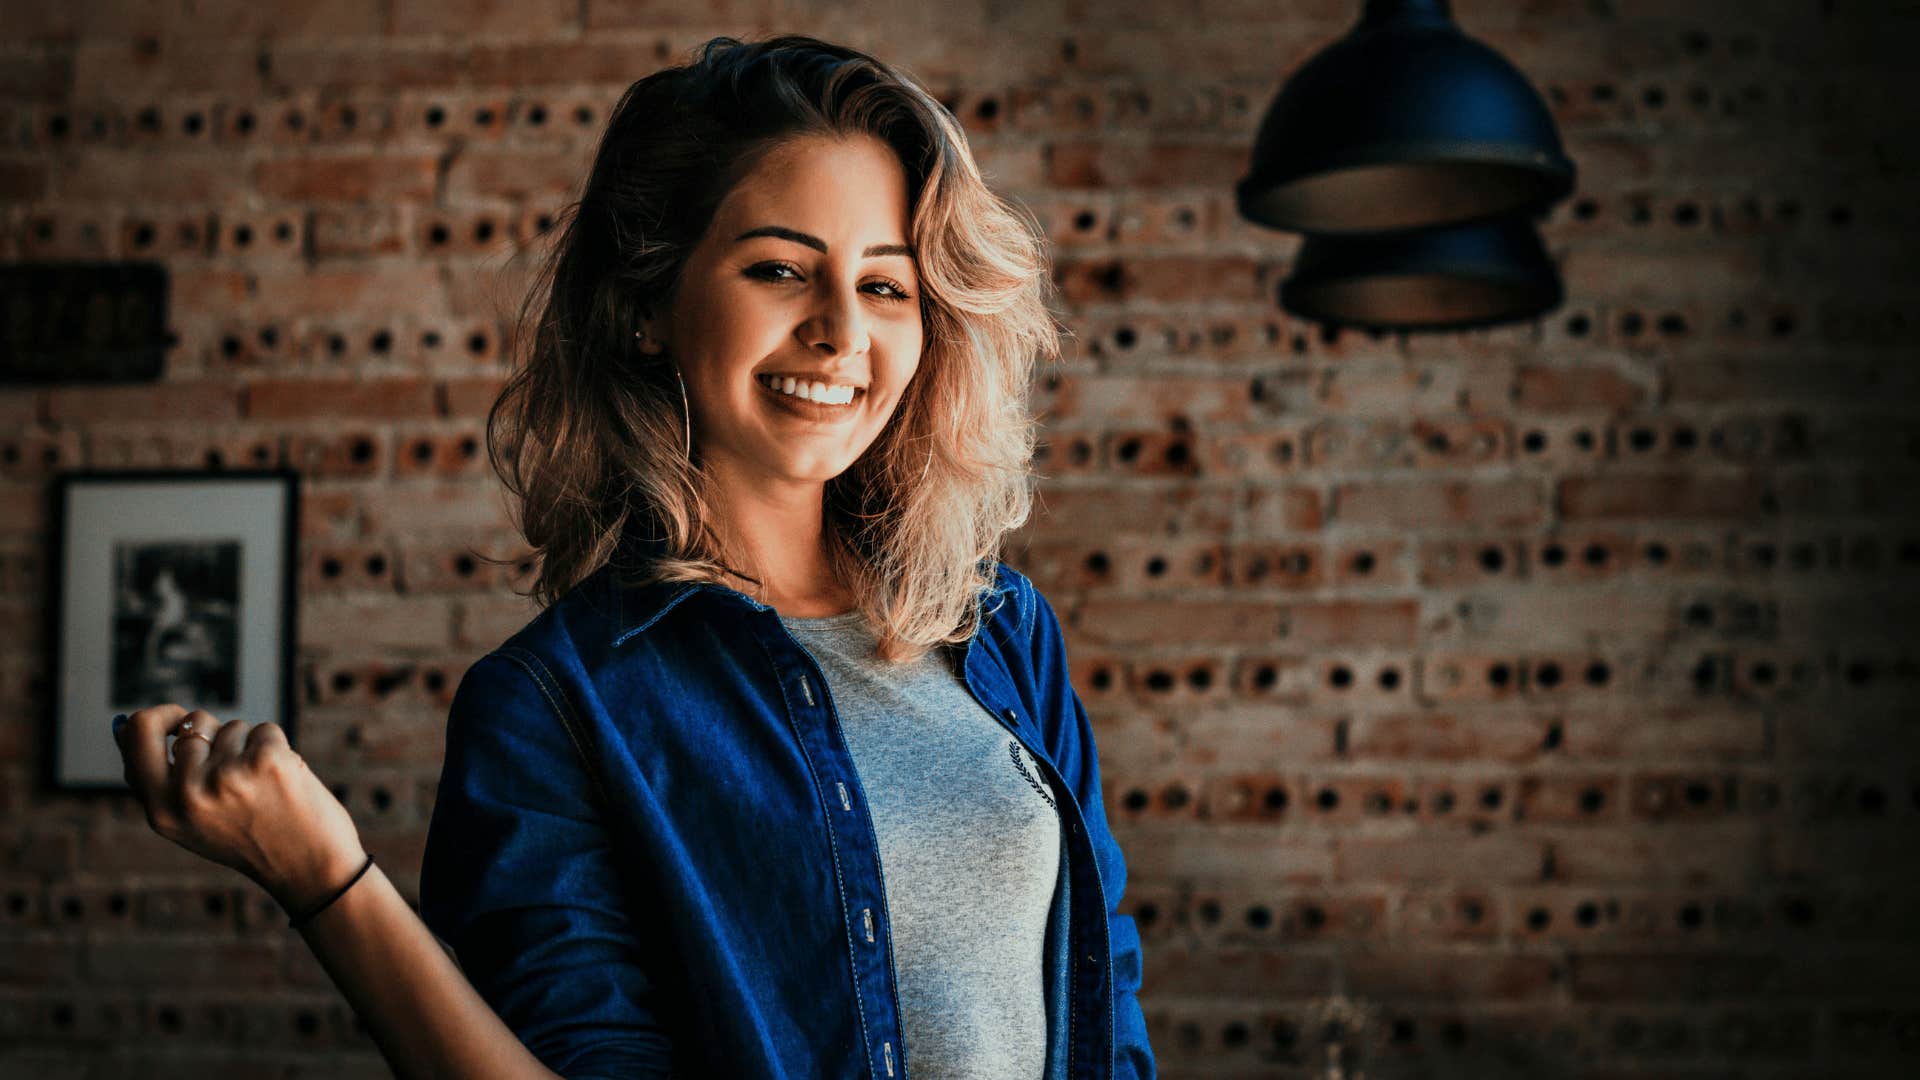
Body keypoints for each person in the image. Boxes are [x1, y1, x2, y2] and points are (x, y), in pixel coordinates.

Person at [110, 34, 1155, 1080]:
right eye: (781, 270)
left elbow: (1109, 1011)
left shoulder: (1001, 631)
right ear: (649, 306)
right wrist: (327, 880)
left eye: (887, 287)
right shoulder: (552, 708)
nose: (841, 331)